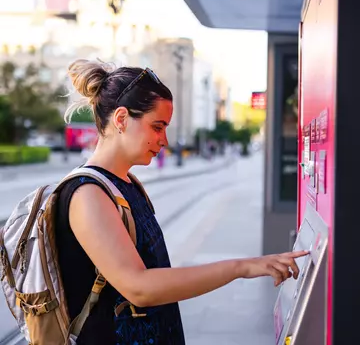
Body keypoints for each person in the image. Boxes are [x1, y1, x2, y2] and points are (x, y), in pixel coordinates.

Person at [56, 59, 308, 345]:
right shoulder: (88, 194)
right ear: (122, 119)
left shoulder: (126, 185)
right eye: (157, 126)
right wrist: (242, 267)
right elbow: (139, 288)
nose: (164, 140)